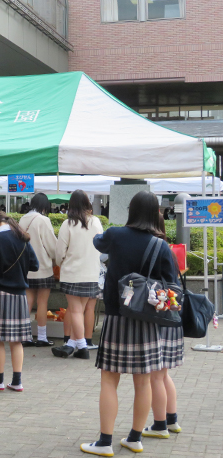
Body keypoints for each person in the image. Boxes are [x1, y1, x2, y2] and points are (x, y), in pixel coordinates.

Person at [80, 191, 177, 456]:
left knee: (109, 381)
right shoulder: (161, 246)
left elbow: (98, 241)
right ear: (156, 213)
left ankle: (104, 442)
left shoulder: (116, 235)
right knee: (142, 383)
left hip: (117, 318)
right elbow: (173, 287)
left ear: (130, 210)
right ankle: (135, 438)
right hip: (147, 321)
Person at [0, 212, 38, 392]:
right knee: (17, 341)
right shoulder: (22, 239)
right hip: (20, 295)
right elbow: (34, 265)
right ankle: (17, 381)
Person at [142, 214, 183, 439]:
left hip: (160, 315)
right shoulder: (167, 247)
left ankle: (159, 425)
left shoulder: (153, 248)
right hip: (172, 316)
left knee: (156, 377)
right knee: (164, 375)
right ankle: (172, 420)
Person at [51, 190, 103, 360]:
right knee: (80, 310)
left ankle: (82, 346)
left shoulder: (68, 224)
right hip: (92, 273)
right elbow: (101, 246)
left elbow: (59, 252)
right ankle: (72, 344)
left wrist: (61, 262)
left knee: (75, 310)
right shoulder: (96, 222)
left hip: (72, 273)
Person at [18, 194, 57, 347]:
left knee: (27, 302)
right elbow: (52, 246)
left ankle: (25, 336)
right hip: (42, 267)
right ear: (44, 206)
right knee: (42, 303)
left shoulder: (22, 219)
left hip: (26, 268)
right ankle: (41, 337)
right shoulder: (43, 220)